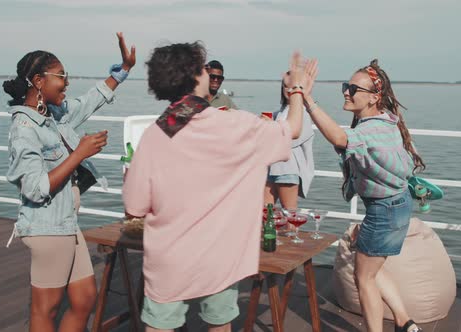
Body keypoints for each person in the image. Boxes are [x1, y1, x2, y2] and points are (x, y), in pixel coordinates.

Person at [122, 42, 316, 332]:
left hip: (170, 258)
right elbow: (293, 129)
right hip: (221, 256)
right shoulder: (236, 125)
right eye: (203, 68)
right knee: (219, 325)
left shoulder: (157, 133)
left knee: (160, 326)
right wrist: (297, 90)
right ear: (195, 76)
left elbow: (134, 205)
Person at [3, 32, 136, 331]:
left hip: (65, 223)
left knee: (84, 298)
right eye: (61, 76)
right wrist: (79, 154)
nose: (67, 82)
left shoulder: (53, 116)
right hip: (46, 226)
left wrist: (123, 71)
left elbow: (88, 102)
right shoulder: (24, 128)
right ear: (38, 81)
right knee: (45, 310)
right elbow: (35, 189)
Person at [304, 59, 424, 332]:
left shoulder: (369, 130)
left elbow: (339, 139)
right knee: (373, 270)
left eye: (353, 88)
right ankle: (405, 322)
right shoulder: (386, 122)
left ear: (374, 97)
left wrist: (307, 99)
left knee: (364, 278)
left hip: (385, 209)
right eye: (346, 86)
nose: (346, 92)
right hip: (396, 204)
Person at [263, 71, 316, 210]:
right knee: (265, 212)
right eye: (286, 86)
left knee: (289, 213)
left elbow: (292, 138)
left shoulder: (302, 112)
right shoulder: (281, 110)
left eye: (293, 87)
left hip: (288, 168)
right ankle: (270, 232)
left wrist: (271, 128)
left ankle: (292, 232)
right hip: (272, 168)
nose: (289, 90)